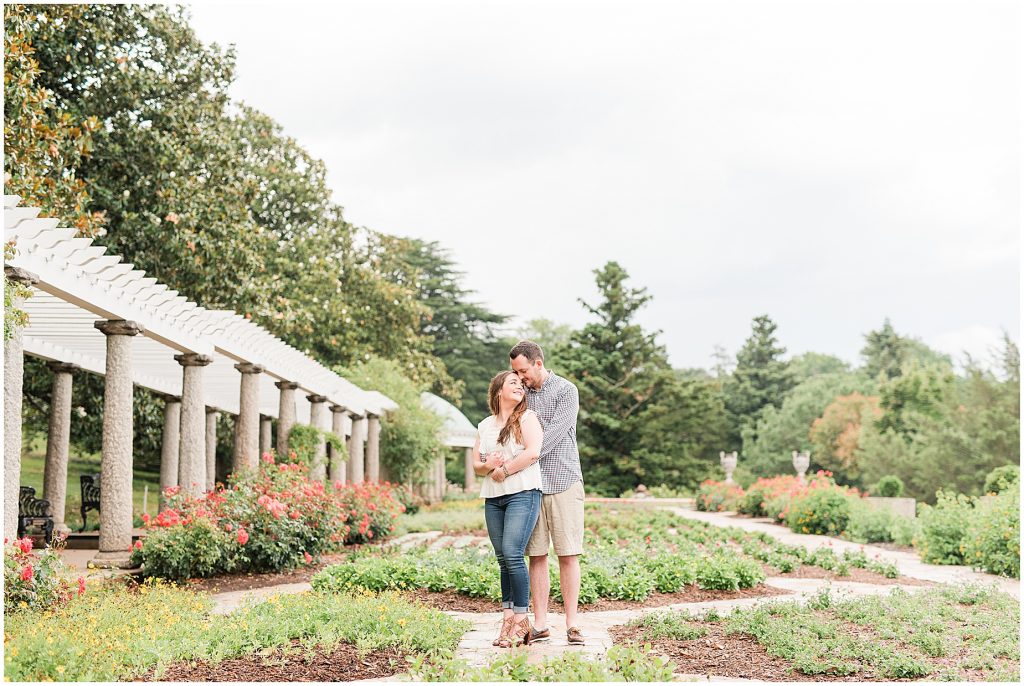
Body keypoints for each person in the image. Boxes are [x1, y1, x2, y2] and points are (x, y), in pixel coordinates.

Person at [509, 340, 586, 646]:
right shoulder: (521, 395)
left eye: (523, 370)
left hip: (564, 480)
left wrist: (520, 456)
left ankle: (572, 624)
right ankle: (540, 624)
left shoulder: (566, 391)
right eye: (515, 372)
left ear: (538, 363)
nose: (520, 377)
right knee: (536, 554)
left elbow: (549, 437)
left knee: (568, 553)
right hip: (531, 485)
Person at [472, 370, 544, 648]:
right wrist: (488, 464)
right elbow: (476, 466)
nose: (519, 386)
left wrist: (504, 469)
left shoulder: (527, 418)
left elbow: (533, 451)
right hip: (494, 497)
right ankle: (507, 620)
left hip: (523, 494)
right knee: (503, 558)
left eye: (521, 384)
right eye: (512, 382)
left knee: (514, 554)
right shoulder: (484, 425)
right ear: (498, 390)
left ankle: (522, 620)